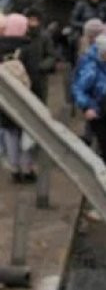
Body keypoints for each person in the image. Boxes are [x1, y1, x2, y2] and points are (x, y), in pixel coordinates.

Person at [0, 13, 43, 183]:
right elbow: (34, 76)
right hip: (25, 98)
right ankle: (27, 168)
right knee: (27, 132)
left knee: (10, 133)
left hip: (5, 99)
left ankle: (14, 167)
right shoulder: (29, 48)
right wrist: (38, 99)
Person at [72, 33, 106, 171]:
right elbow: (78, 89)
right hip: (96, 109)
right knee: (105, 145)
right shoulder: (90, 69)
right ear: (102, 53)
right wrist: (87, 107)